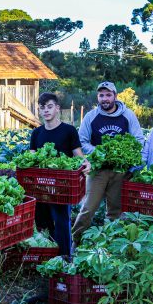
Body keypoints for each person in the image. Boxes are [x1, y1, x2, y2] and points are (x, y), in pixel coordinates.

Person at [72, 81, 145, 240]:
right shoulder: (91, 116)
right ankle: (75, 242)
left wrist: (124, 154)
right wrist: (101, 152)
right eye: (101, 95)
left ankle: (110, 244)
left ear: (115, 96)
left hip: (120, 171)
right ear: (98, 97)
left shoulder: (128, 115)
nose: (104, 98)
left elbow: (139, 140)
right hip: (97, 170)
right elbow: (82, 141)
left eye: (108, 95)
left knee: (115, 211)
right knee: (88, 209)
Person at [28, 92, 90, 257]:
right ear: (39, 111)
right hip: (41, 187)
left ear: (57, 108)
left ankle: (65, 257)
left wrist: (86, 163)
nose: (46, 111)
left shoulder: (69, 131)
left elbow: (78, 155)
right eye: (42, 108)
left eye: (49, 107)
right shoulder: (36, 133)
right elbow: (31, 158)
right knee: (42, 223)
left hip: (61, 188)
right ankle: (47, 257)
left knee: (62, 222)